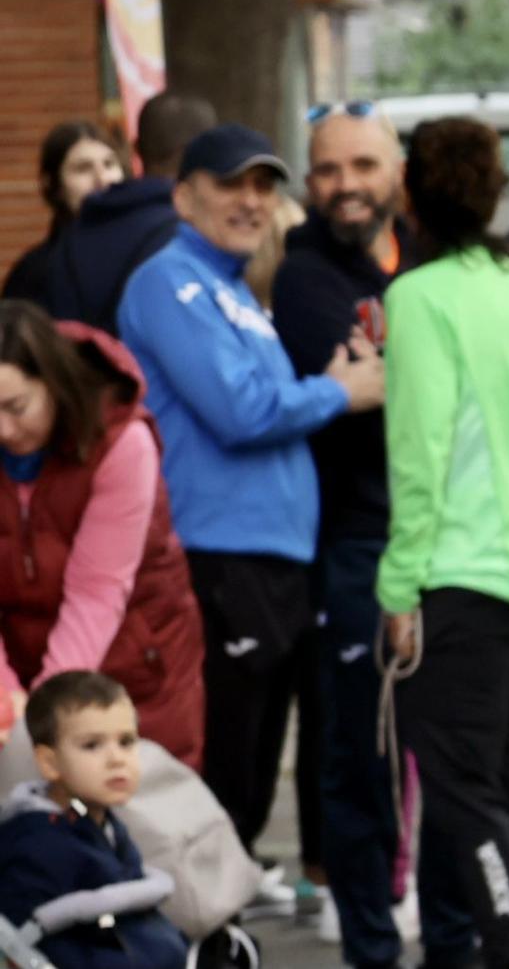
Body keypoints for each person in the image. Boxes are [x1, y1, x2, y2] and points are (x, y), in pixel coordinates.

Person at [114, 124, 384, 882]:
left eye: (263, 186)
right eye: (231, 183)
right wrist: (338, 390)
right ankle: (194, 916)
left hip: (270, 555)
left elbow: (265, 397)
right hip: (219, 553)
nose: (250, 200)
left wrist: (320, 385)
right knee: (227, 760)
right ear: (183, 194)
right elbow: (239, 410)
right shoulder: (168, 281)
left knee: (256, 759)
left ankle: (221, 906)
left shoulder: (232, 290)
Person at [271, 106, 477, 969]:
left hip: (453, 538)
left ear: (396, 171)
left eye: (362, 165)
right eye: (326, 170)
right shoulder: (306, 275)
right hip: (356, 545)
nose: (345, 184)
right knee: (362, 761)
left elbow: (413, 381)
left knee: (454, 759)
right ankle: (369, 949)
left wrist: (393, 375)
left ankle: (454, 938)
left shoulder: (432, 258)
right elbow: (415, 382)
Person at [379, 117, 509, 968]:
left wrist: (397, 589)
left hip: (459, 577)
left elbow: (418, 455)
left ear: (410, 195)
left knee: (464, 793)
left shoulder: (417, 298)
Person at [0, 303, 205, 770]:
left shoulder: (121, 442)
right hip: (18, 657)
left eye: (17, 408)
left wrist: (49, 716)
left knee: (130, 817)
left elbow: (97, 592)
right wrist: (6, 702)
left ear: (54, 383)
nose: (4, 430)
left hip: (132, 665)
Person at [0, 672, 188, 969]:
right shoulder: (37, 843)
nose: (117, 759)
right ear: (49, 763)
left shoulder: (105, 824)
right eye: (92, 745)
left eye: (126, 742)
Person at [47, 93, 215, 335]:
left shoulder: (74, 236)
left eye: (108, 164)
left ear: (136, 149)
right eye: (82, 168)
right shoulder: (190, 236)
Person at [2, 122, 127, 307]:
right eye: (83, 168)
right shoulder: (34, 273)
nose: (102, 179)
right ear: (54, 184)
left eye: (109, 164)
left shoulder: (148, 246)